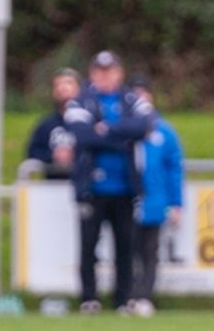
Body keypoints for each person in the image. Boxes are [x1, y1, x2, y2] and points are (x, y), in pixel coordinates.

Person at [64, 51, 153, 313]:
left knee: (125, 247)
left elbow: (144, 126)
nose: (105, 76)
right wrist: (120, 136)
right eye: (100, 71)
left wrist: (106, 128)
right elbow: (83, 136)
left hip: (125, 187)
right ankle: (89, 298)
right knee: (89, 246)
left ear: (119, 72)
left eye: (110, 70)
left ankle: (123, 299)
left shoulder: (130, 99)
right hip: (92, 188)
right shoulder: (80, 101)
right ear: (92, 74)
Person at [127, 76, 184, 317]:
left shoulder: (164, 131)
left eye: (144, 93)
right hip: (127, 199)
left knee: (150, 250)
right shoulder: (124, 128)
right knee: (128, 249)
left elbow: (174, 169)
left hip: (155, 201)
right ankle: (127, 296)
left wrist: (176, 203)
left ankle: (144, 296)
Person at [25, 68, 80, 180]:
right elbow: (32, 153)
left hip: (85, 188)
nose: (62, 88)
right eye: (58, 85)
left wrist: (75, 155)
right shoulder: (46, 124)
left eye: (68, 83)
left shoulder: (90, 121)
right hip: (53, 186)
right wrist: (53, 156)